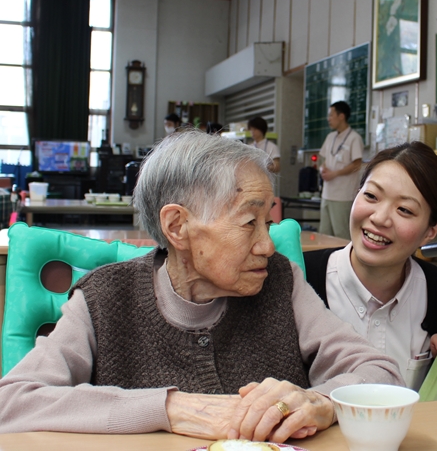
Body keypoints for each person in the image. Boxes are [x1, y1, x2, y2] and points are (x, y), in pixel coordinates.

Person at [0, 129, 403, 442]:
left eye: (268, 223)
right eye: (249, 224)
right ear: (178, 226)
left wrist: (321, 401)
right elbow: (12, 403)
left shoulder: (279, 280)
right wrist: (171, 408)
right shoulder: (105, 299)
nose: (266, 245)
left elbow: (382, 373)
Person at [305, 142, 437, 390]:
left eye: (404, 210)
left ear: (431, 231)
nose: (380, 218)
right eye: (371, 196)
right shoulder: (301, 282)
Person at [318, 101, 364, 239]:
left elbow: (357, 163)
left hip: (343, 195)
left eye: (331, 115)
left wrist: (335, 174)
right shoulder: (330, 137)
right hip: (327, 193)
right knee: (324, 233)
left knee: (341, 235)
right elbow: (323, 158)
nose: (328, 119)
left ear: (341, 116)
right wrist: (322, 169)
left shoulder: (354, 138)